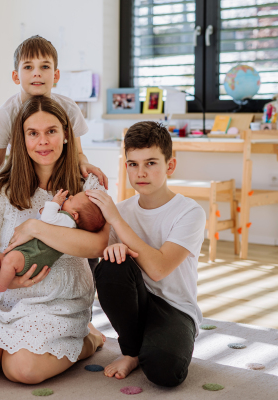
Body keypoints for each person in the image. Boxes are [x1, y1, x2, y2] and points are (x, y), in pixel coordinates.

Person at [0, 96, 107, 384]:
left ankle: (88, 339)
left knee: (21, 369)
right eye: (33, 133)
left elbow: (98, 245)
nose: (43, 141)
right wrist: (7, 280)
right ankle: (16, 344)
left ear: (65, 134)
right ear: (21, 140)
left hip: (56, 299)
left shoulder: (87, 184)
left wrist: (36, 227)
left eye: (51, 131)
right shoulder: (1, 187)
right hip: (4, 295)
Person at [86, 121, 206, 387]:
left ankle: (151, 346)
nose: (141, 172)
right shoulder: (123, 211)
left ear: (170, 166)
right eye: (133, 164)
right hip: (136, 301)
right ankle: (131, 351)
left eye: (151, 163)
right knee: (110, 265)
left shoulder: (190, 212)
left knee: (165, 372)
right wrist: (113, 248)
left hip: (175, 308)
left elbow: (159, 268)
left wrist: (116, 221)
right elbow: (102, 258)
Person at [0, 35, 107, 189]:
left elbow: (78, 154)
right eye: (28, 67)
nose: (37, 73)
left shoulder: (69, 108)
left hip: (61, 183)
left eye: (45, 67)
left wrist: (83, 162)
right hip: (22, 183)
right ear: (16, 76)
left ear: (56, 75)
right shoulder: (6, 114)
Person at [0, 189, 105, 294]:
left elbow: (47, 218)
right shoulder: (62, 219)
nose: (68, 197)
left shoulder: (68, 221)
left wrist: (55, 202)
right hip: (25, 253)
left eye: (70, 200)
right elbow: (43, 219)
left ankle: (0, 285)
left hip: (31, 256)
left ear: (75, 215)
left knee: (8, 261)